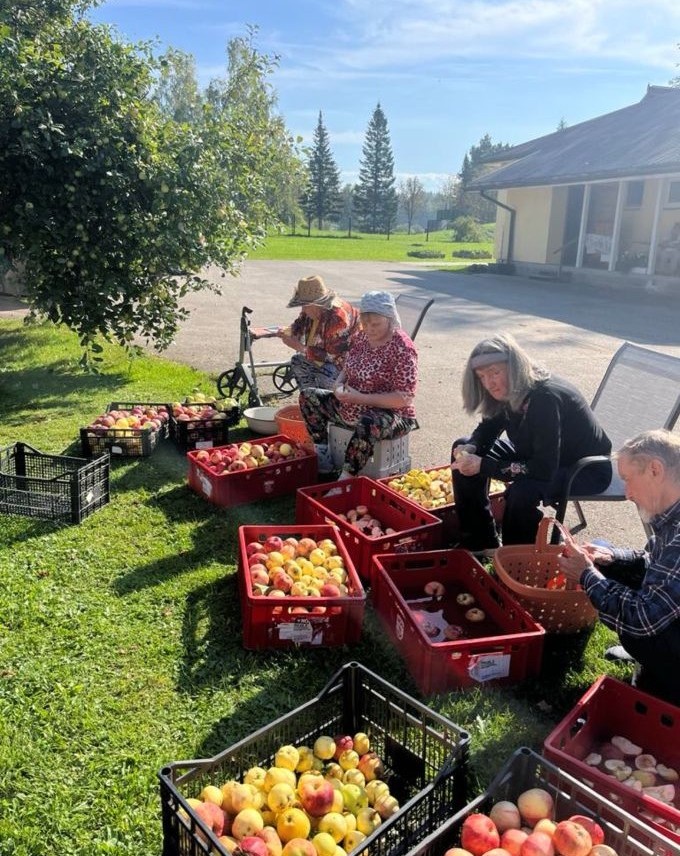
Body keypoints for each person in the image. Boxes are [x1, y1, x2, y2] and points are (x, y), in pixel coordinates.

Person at [451, 333, 612, 551]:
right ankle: (479, 541)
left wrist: (483, 465)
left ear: (513, 366)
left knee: (522, 491)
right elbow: (490, 425)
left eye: (494, 373)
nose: (489, 383)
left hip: (584, 469)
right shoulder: (511, 388)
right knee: (462, 446)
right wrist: (473, 446)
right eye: (481, 377)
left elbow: (542, 469)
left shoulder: (544, 398)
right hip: (538, 454)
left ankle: (515, 560)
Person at [558, 430, 680, 706]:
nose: (626, 494)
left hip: (659, 628)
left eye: (627, 480)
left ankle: (664, 683)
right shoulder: (671, 511)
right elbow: (658, 565)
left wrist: (586, 574)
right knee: (604, 553)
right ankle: (652, 666)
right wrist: (613, 557)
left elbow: (643, 617)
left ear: (655, 470)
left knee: (636, 632)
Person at [299, 290, 418, 478]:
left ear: (390, 319)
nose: (370, 328)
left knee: (370, 421)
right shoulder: (361, 338)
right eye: (365, 323)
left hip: (392, 414)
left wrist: (361, 398)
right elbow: (347, 368)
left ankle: (346, 477)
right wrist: (338, 387)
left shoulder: (402, 348)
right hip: (352, 404)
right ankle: (324, 458)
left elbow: (404, 398)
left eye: (376, 324)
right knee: (308, 396)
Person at [276, 274, 360, 390]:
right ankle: (310, 398)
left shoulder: (338, 319)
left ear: (318, 303)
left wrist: (299, 347)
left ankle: (326, 400)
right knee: (298, 361)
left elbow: (332, 357)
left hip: (347, 368)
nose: (303, 310)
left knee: (324, 376)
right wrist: (291, 331)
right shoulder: (313, 310)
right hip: (331, 360)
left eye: (305, 306)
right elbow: (300, 323)